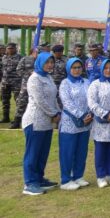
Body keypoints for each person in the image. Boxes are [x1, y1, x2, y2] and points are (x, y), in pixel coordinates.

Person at [21, 51, 60, 196]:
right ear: (40, 63)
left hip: (47, 123)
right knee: (33, 153)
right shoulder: (34, 78)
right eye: (47, 62)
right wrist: (54, 113)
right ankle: (30, 183)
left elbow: (53, 98)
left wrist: (58, 111)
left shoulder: (48, 77)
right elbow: (40, 100)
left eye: (51, 62)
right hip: (35, 121)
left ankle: (39, 178)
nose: (50, 65)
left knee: (43, 153)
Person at [58, 57, 93, 191]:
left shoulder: (86, 81)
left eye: (79, 67)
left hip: (86, 122)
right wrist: (82, 115)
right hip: (69, 123)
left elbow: (91, 98)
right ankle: (66, 179)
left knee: (81, 151)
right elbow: (67, 103)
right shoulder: (65, 83)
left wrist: (90, 114)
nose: (77, 70)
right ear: (69, 69)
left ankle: (78, 176)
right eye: (74, 67)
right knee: (67, 152)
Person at [87, 58, 110, 188]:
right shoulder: (95, 84)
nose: (108, 70)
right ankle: (101, 176)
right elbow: (91, 102)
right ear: (102, 70)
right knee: (100, 151)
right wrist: (105, 114)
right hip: (100, 123)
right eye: (106, 68)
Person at [12, 43, 48, 129]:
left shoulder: (44, 62)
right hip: (26, 85)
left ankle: (37, 121)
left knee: (39, 103)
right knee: (21, 103)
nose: (38, 54)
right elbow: (18, 70)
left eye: (40, 53)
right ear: (34, 52)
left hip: (39, 85)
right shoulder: (25, 59)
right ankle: (16, 122)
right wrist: (29, 74)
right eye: (37, 52)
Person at [1, 42, 22, 124]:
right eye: (8, 48)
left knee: (18, 101)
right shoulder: (4, 57)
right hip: (5, 82)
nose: (10, 50)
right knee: (5, 101)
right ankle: (5, 117)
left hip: (16, 82)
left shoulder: (20, 57)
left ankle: (17, 119)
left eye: (11, 48)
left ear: (15, 49)